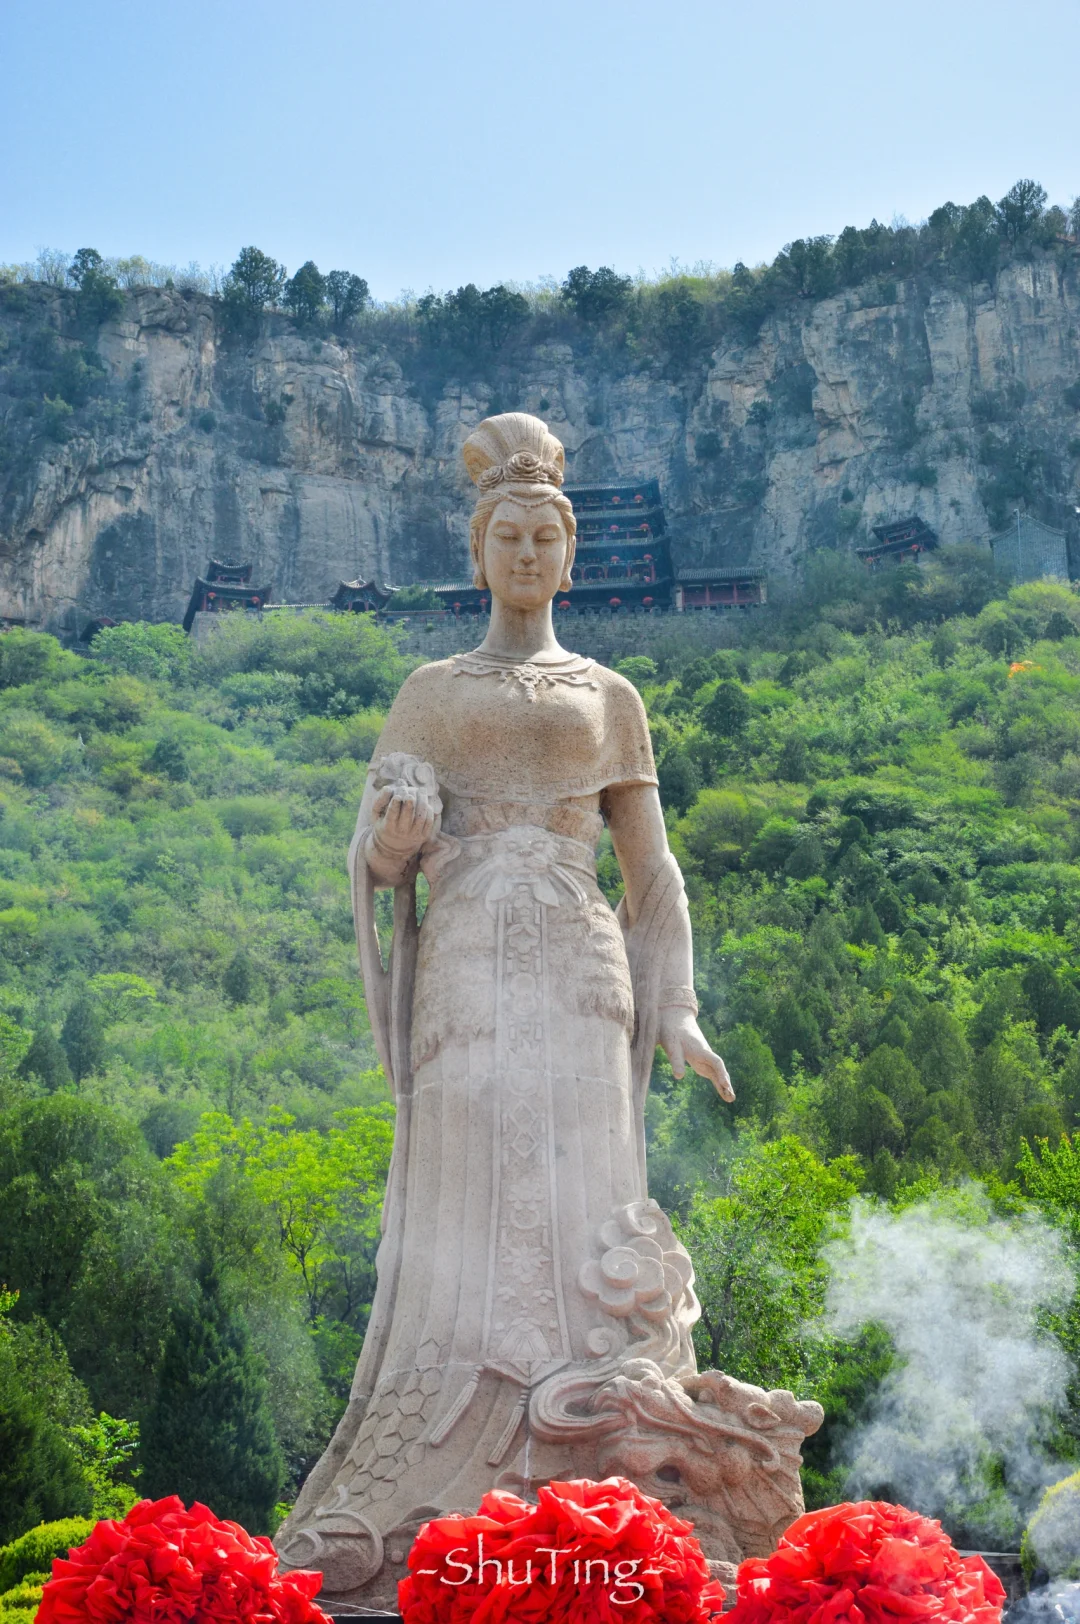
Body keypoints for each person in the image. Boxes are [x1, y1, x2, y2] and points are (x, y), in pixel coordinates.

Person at [276, 415, 818, 1604]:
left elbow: (654, 874)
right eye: (506, 534)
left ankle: (609, 1447)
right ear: (478, 553)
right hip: (469, 965)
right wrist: (394, 847)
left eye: (544, 537)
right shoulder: (430, 691)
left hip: (579, 969)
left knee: (590, 1197)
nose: (525, 552)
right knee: (463, 1178)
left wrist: (677, 1006)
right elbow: (376, 857)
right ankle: (442, 1464)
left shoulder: (610, 696)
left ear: (572, 558)